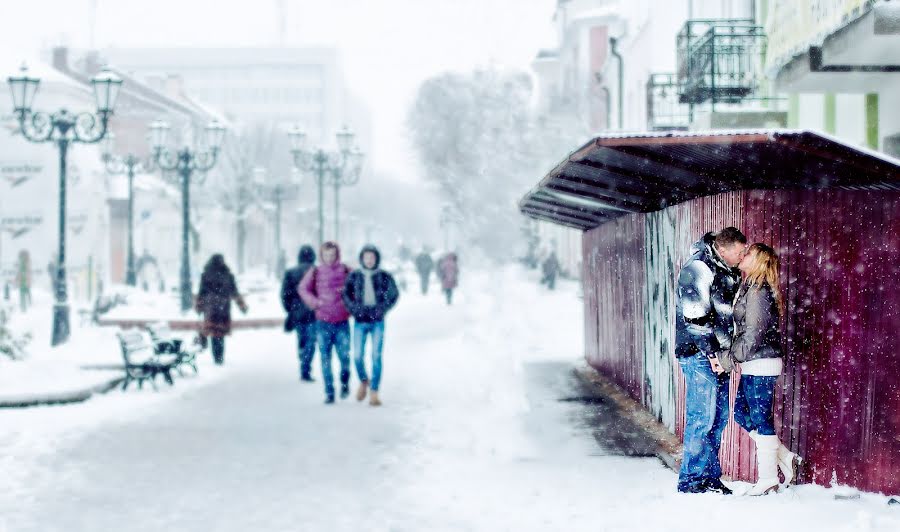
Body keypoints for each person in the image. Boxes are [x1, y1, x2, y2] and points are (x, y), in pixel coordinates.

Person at [716, 243, 802, 496]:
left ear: (759, 261)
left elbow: (753, 334)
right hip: (754, 363)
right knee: (742, 414)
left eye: (749, 253)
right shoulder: (749, 286)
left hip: (762, 363)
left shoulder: (758, 292)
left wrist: (726, 361)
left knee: (761, 419)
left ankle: (767, 479)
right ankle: (786, 458)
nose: (743, 255)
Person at [674, 227, 747, 494]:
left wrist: (724, 354)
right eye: (739, 252)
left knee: (719, 418)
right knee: (701, 417)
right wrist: (712, 354)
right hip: (699, 354)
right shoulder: (698, 268)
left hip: (719, 356)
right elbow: (694, 318)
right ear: (724, 248)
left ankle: (710, 477)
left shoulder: (729, 270)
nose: (742, 257)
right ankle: (691, 481)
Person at [342, 245, 400, 407]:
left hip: (377, 322)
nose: (369, 260)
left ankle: (374, 391)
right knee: (357, 356)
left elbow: (393, 294)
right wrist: (354, 309)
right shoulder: (354, 276)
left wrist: (382, 308)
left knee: (376, 355)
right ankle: (364, 380)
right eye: (366, 257)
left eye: (372, 257)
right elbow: (345, 294)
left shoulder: (384, 276)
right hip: (360, 322)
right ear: (362, 258)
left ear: (376, 259)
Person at [299, 242, 352, 404]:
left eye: (332, 255)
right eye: (326, 255)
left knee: (344, 358)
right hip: (323, 323)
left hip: (342, 322)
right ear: (322, 255)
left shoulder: (345, 270)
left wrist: (349, 302)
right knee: (325, 358)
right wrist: (315, 302)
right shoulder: (315, 271)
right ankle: (329, 392)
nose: (329, 258)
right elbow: (302, 288)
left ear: (337, 255)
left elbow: (358, 286)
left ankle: (344, 382)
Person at [195, 254, 247, 365]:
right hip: (223, 308)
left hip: (210, 309)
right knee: (221, 334)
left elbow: (201, 293)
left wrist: (199, 307)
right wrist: (242, 306)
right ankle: (220, 357)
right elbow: (234, 292)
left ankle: (216, 357)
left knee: (214, 333)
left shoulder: (206, 275)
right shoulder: (228, 275)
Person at [280, 245, 318, 382]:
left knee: (302, 340)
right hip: (313, 312)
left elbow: (285, 295)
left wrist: (291, 309)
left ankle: (303, 362)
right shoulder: (316, 271)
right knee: (311, 341)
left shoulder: (291, 272)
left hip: (298, 313)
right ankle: (306, 366)